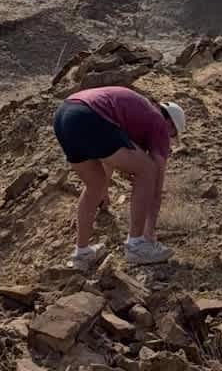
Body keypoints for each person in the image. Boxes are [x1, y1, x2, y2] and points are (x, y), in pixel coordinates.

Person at [52, 84, 186, 267]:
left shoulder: (139, 112)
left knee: (95, 185)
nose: (168, 139)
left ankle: (81, 254)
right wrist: (150, 232)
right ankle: (137, 245)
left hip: (64, 114)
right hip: (88, 115)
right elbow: (156, 183)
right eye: (173, 134)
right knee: (148, 170)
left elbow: (109, 157)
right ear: (170, 123)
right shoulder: (158, 123)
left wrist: (104, 192)